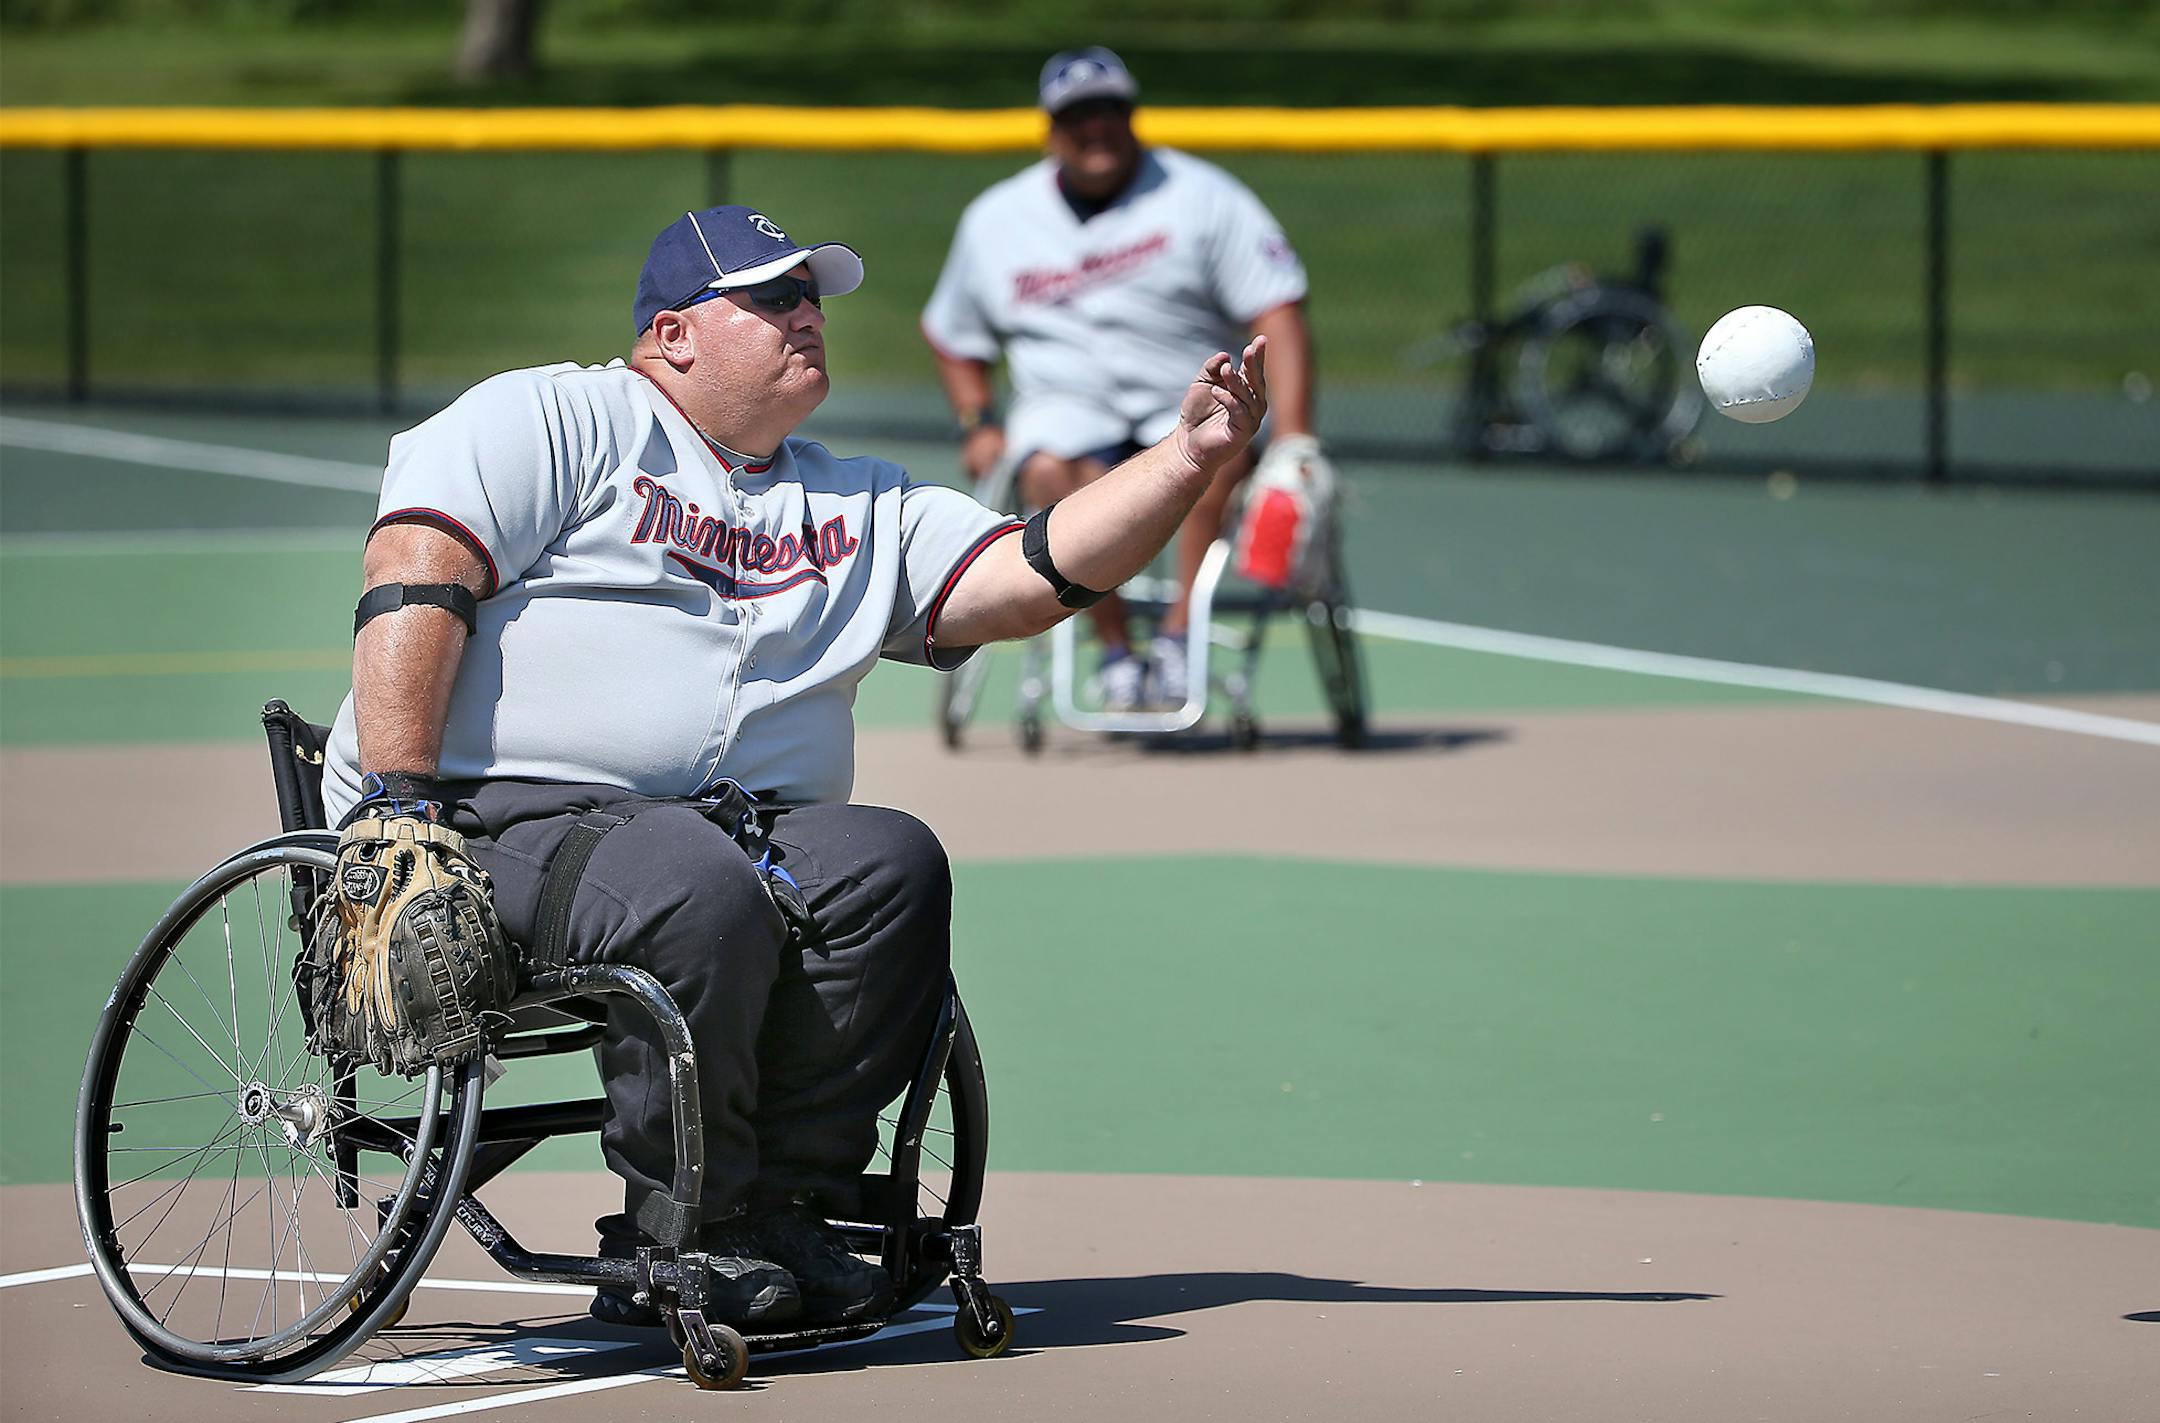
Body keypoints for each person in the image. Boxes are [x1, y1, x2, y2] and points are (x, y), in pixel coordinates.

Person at [319, 203, 1268, 1329]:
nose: (806, 314)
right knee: (687, 875)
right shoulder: (556, 418)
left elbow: (1030, 572)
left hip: (708, 835)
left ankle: (785, 1207)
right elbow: (415, 569)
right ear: (673, 333)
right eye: (772, 297)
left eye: (811, 296)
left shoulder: (854, 497)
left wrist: (1189, 456)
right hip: (483, 822)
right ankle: (680, 1227)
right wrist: (399, 807)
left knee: (886, 861)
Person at [922, 46, 1318, 709]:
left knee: (1218, 453)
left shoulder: (1203, 196)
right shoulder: (997, 219)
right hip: (1064, 403)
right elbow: (952, 333)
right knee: (1048, 467)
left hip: (1185, 387)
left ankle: (1178, 639)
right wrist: (978, 422)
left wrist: (1296, 437)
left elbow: (1277, 305)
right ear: (1051, 128)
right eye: (1078, 116)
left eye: (1109, 111)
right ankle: (1114, 651)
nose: (1095, 128)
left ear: (1132, 116)